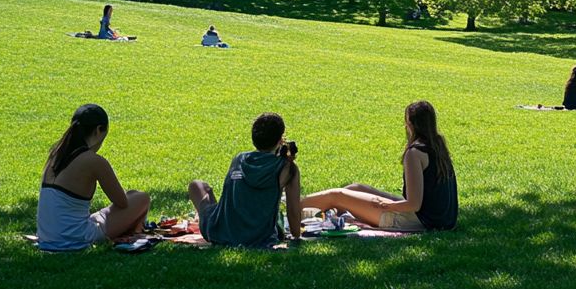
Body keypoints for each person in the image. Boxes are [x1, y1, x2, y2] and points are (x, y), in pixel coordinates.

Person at [301, 101, 458, 232]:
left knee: (336, 196)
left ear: (410, 124)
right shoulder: (437, 145)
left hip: (420, 221)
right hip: (440, 219)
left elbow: (414, 205)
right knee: (355, 188)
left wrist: (386, 206)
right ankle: (320, 214)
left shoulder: (415, 153)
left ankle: (290, 207)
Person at [36, 104, 150, 251]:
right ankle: (135, 233)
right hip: (75, 238)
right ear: (98, 131)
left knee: (129, 198)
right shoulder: (94, 161)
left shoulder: (55, 155)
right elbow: (122, 202)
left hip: (47, 237)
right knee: (141, 198)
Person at [188, 112, 304, 247]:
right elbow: (294, 216)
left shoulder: (239, 159)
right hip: (258, 238)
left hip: (219, 232)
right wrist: (296, 236)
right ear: (280, 140)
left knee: (197, 185)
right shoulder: (287, 168)